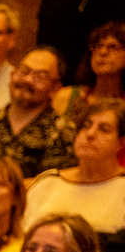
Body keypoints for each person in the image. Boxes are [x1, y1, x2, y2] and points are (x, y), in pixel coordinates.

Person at [0, 47, 75, 176]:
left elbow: (53, 185)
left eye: (40, 77)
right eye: (24, 71)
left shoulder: (63, 133)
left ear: (55, 88)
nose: (28, 80)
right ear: (12, 75)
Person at [26, 97, 125, 233]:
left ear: (121, 143)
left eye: (104, 129)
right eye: (86, 126)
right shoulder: (48, 181)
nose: (90, 134)